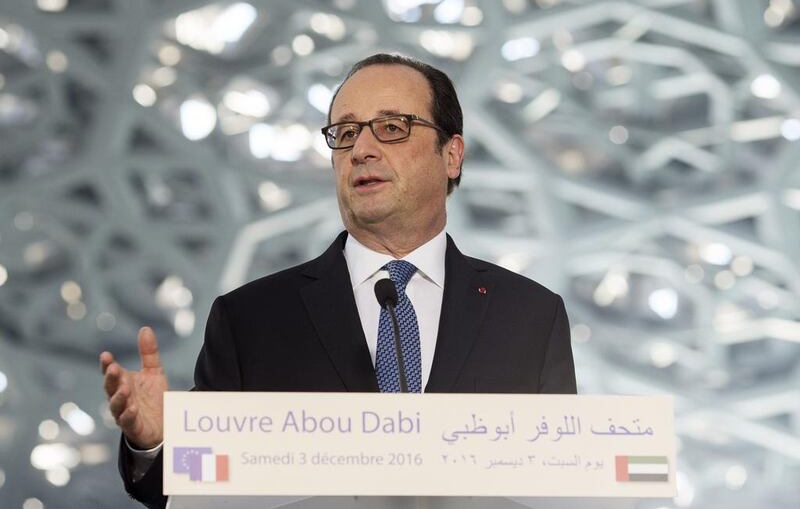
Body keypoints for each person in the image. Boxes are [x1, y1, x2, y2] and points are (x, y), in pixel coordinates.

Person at [100, 53, 577, 509]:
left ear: (451, 155)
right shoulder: (251, 319)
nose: (362, 150)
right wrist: (160, 444)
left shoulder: (530, 315)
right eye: (345, 133)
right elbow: (201, 486)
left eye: (392, 128)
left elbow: (563, 484)